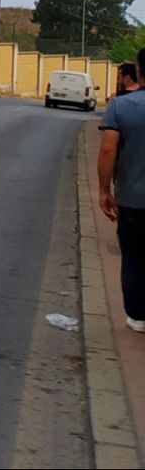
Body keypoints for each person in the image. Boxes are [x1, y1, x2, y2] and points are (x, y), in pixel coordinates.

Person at [98, 46, 145, 332]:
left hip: (133, 199)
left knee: (134, 255)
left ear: (139, 71)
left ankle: (138, 316)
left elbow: (107, 150)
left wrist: (104, 190)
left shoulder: (120, 106)